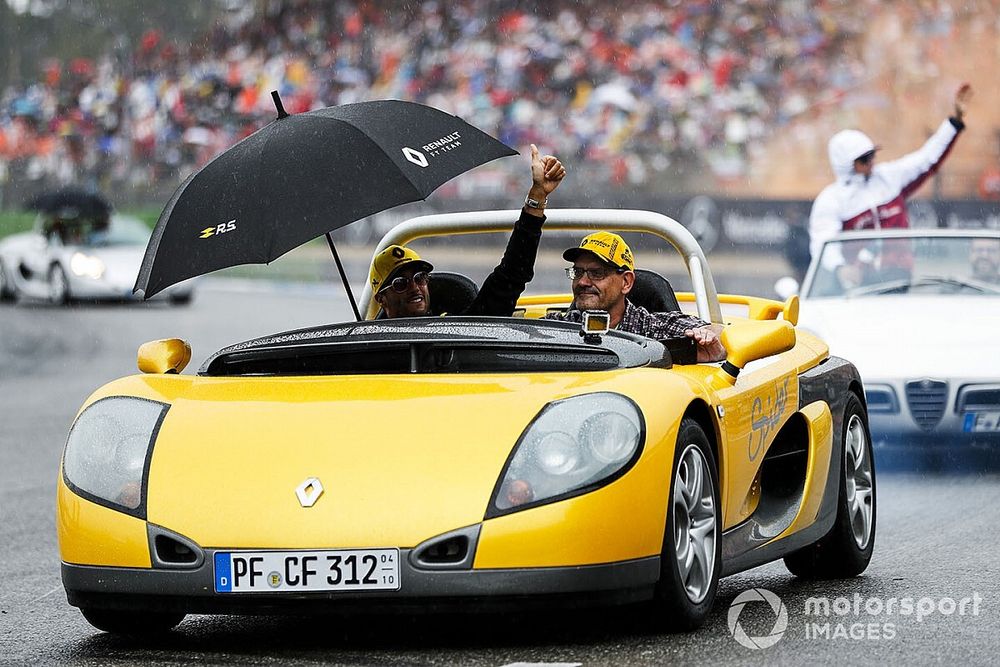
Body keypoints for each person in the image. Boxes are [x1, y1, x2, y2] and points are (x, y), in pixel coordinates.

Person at [369, 144, 566, 318]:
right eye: (400, 283)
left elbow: (512, 276)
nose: (414, 288)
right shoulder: (365, 348)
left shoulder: (457, 329)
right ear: (381, 299)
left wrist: (537, 196)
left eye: (420, 278)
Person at [809, 83, 973, 285]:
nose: (871, 161)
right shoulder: (831, 200)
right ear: (846, 165)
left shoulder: (889, 176)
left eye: (872, 154)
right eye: (864, 158)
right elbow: (823, 243)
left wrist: (954, 122)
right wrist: (840, 268)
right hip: (857, 285)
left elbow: (927, 158)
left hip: (899, 279)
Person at [544, 232, 726, 362]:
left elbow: (719, 333)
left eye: (597, 273)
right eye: (577, 272)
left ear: (626, 282)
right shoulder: (556, 328)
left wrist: (712, 346)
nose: (582, 282)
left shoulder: (653, 328)